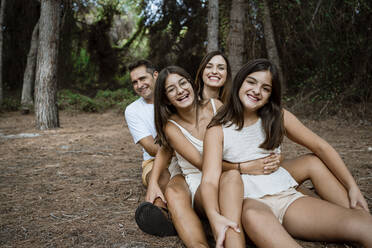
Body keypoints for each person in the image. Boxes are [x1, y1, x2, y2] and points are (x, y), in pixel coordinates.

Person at [201, 58, 372, 248]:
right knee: (254, 215)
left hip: (285, 196)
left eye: (266, 88)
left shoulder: (277, 117)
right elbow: (209, 180)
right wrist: (214, 216)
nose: (257, 91)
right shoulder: (218, 129)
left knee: (363, 225)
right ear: (240, 81)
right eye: (251, 82)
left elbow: (320, 146)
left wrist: (352, 187)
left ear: (270, 95)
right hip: (249, 203)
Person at [124, 59, 182, 237]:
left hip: (187, 155)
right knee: (160, 177)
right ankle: (161, 215)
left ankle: (178, 216)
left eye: (143, 78)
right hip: (154, 160)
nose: (140, 85)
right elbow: (150, 147)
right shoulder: (132, 110)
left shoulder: (175, 95)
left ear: (155, 75)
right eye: (135, 82)